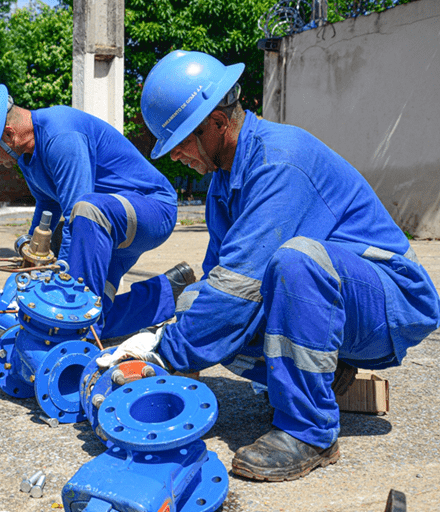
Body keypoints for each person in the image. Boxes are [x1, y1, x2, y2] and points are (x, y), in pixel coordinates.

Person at [98, 50, 440, 481]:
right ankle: (324, 375)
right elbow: (218, 287)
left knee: (294, 262)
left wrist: (162, 353)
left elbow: (240, 288)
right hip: (337, 302)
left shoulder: (280, 160)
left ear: (218, 125)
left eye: (182, 141)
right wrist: (167, 344)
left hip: (391, 301)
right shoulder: (223, 185)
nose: (175, 156)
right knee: (196, 301)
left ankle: (310, 431)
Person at [0, 85, 194, 339]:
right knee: (97, 317)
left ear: (9, 135)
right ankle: (172, 293)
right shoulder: (28, 155)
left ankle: (76, 334)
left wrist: (62, 280)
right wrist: (32, 255)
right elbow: (47, 205)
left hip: (149, 209)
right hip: (105, 226)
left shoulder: (61, 135)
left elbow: (78, 219)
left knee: (72, 314)